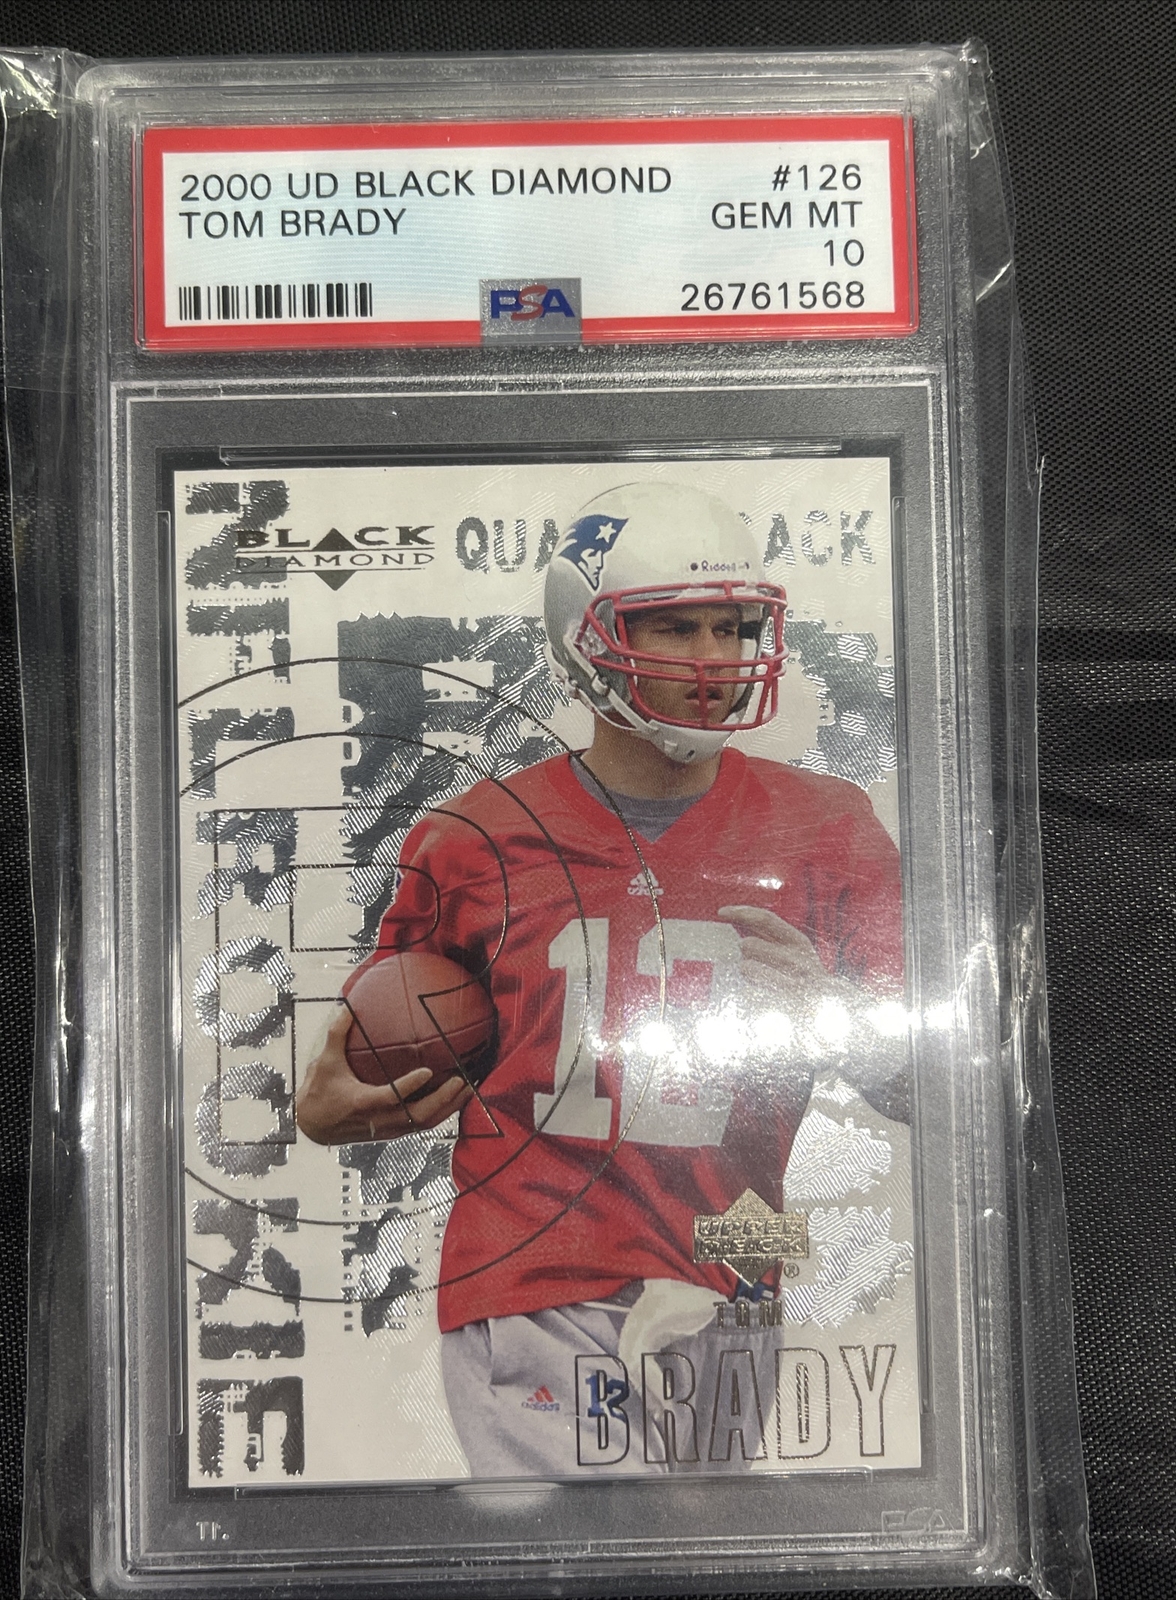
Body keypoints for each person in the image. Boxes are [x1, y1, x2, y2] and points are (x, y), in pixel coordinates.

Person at [297, 481, 905, 1475]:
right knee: (594, 1538)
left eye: (732, 626)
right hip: (539, 1278)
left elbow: (930, 1083)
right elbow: (385, 1038)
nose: (714, 657)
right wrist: (330, 1106)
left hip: (735, 1271)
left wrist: (834, 1016)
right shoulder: (473, 838)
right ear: (586, 640)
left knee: (697, 1547)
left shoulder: (829, 827)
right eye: (675, 627)